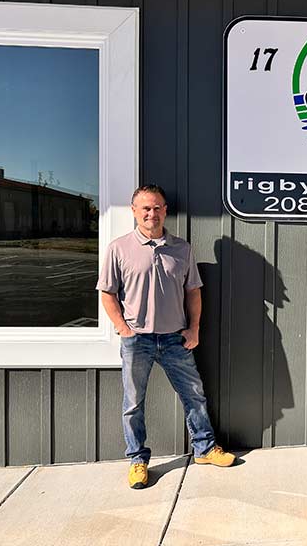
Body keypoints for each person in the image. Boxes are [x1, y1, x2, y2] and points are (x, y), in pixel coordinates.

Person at [96, 184, 235, 489]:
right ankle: (137, 461)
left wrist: (194, 328)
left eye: (157, 207)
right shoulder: (118, 249)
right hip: (137, 340)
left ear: (165, 211)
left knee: (194, 395)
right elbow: (107, 293)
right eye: (145, 208)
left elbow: (193, 292)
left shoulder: (182, 249)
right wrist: (122, 327)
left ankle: (205, 449)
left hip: (175, 339)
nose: (152, 213)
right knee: (133, 403)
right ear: (134, 211)